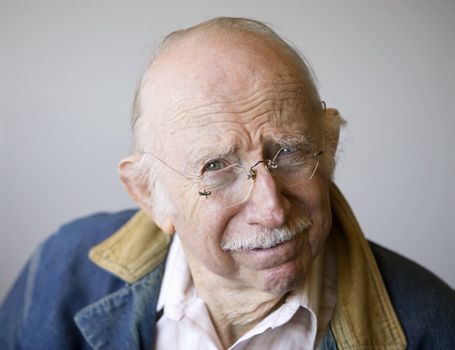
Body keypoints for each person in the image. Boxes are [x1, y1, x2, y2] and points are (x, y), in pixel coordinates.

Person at [0, 17, 453, 350]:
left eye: (290, 152)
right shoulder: (58, 272)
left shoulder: (435, 326)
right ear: (147, 194)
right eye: (217, 167)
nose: (272, 209)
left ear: (328, 146)